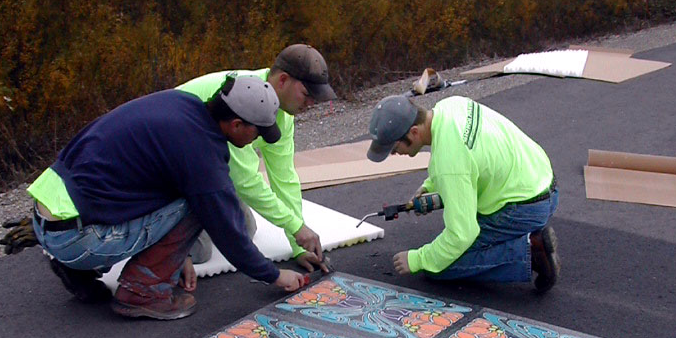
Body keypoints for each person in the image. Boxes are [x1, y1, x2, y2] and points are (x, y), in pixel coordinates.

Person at [27, 75, 307, 320]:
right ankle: (142, 292)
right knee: (203, 205)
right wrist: (274, 275)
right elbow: (228, 232)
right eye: (258, 132)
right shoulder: (202, 153)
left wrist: (178, 256)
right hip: (78, 239)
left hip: (49, 218)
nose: (257, 140)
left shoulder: (181, 103)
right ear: (236, 124)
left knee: (189, 191)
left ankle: (77, 270)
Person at [366, 94, 560, 291]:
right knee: (447, 246)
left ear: (414, 132)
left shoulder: (449, 164)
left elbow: (462, 235)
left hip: (525, 209)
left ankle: (531, 251)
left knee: (440, 266)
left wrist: (418, 259)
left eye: (394, 147)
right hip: (545, 182)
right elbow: (467, 159)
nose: (394, 153)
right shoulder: (451, 105)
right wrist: (431, 186)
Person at [177, 44, 336, 272]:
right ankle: (161, 232)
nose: (310, 104)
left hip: (207, 166)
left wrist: (299, 246)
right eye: (307, 94)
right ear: (283, 80)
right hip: (172, 168)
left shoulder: (283, 114)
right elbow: (245, 181)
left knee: (245, 228)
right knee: (200, 252)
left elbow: (284, 177)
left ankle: (200, 215)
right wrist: (296, 227)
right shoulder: (242, 99)